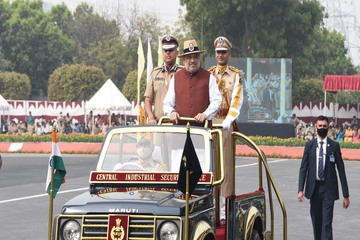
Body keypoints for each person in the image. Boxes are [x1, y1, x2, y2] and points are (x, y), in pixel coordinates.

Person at [208, 36, 244, 222]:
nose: (220, 55)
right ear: (215, 54)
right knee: (210, 168)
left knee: (226, 171)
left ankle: (223, 210)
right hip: (209, 124)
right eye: (218, 52)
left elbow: (237, 100)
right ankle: (211, 207)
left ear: (229, 54)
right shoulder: (209, 74)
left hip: (225, 125)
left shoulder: (235, 75)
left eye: (223, 52)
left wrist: (229, 119)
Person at [298, 115, 350, 240]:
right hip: (314, 189)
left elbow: (341, 170)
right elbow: (303, 168)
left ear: (328, 128)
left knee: (326, 223)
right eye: (320, 126)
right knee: (316, 223)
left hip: (328, 190)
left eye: (324, 126)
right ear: (316, 127)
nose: (322, 128)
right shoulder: (309, 145)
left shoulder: (334, 146)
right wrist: (300, 189)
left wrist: (346, 195)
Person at [163, 39, 221, 126]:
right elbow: (167, 103)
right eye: (189, 57)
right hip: (180, 131)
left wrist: (205, 114)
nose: (192, 60)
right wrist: (171, 112)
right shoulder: (175, 78)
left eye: (195, 57)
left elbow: (217, 101)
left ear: (199, 58)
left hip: (202, 131)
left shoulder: (209, 77)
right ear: (184, 60)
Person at [144, 34, 183, 124]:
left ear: (177, 53)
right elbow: (148, 99)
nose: (168, 53)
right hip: (158, 123)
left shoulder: (183, 73)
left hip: (177, 124)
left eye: (171, 50)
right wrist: (150, 117)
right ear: (162, 53)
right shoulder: (155, 73)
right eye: (165, 50)